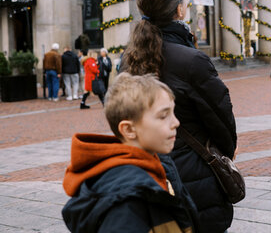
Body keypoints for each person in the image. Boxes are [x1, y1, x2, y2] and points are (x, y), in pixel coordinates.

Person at [122, 0, 237, 233]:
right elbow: (221, 118)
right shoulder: (192, 60)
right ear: (179, 9)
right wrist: (225, 152)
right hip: (195, 175)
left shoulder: (128, 58)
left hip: (145, 171)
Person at [62, 73, 199, 232]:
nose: (176, 122)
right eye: (163, 116)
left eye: (173, 113)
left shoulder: (156, 165)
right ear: (128, 129)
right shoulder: (125, 201)